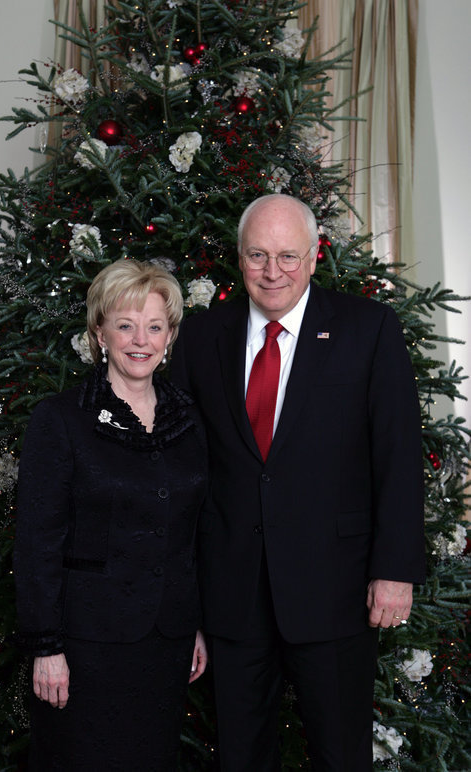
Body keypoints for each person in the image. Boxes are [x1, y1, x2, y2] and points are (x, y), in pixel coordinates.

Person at [171, 193, 425, 771]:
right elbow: (182, 469)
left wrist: (395, 570)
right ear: (240, 258)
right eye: (258, 255)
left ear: (314, 257)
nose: (272, 271)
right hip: (232, 594)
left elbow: (398, 454)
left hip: (335, 590)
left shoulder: (368, 329)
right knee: (240, 757)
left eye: (288, 256)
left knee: (340, 756)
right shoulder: (201, 336)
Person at [14, 259, 208, 771]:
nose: (139, 339)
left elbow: (191, 536)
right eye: (125, 324)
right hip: (84, 648)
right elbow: (37, 542)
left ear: (170, 337)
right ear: (100, 333)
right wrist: (45, 647)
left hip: (165, 643)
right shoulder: (61, 419)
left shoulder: (188, 419)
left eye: (154, 326)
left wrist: (195, 627)